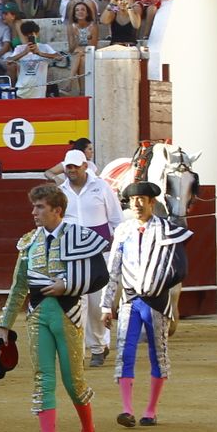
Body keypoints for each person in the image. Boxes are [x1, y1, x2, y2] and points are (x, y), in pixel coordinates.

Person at [0, 184, 110, 432]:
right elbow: (19, 287)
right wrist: (4, 326)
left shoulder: (78, 236)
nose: (34, 212)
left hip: (68, 314)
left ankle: (88, 430)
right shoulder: (28, 242)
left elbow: (99, 276)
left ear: (57, 210)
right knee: (42, 379)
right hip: (37, 317)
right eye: (34, 207)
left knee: (73, 382)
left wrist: (67, 285)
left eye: (40, 207)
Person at [100, 182, 192, 429]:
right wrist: (106, 305)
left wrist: (159, 284)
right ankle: (127, 409)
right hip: (130, 300)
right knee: (125, 352)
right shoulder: (123, 230)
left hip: (157, 301)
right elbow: (114, 270)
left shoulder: (167, 229)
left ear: (153, 202)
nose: (137, 204)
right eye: (133, 200)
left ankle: (151, 409)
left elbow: (180, 268)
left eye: (142, 199)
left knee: (158, 355)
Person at [53, 148, 122, 366]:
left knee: (97, 303)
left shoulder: (101, 187)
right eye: (68, 167)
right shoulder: (61, 192)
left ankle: (99, 346)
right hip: (72, 254)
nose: (71, 170)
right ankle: (79, 350)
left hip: (99, 253)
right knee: (75, 302)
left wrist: (117, 250)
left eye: (75, 166)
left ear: (85, 166)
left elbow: (116, 219)